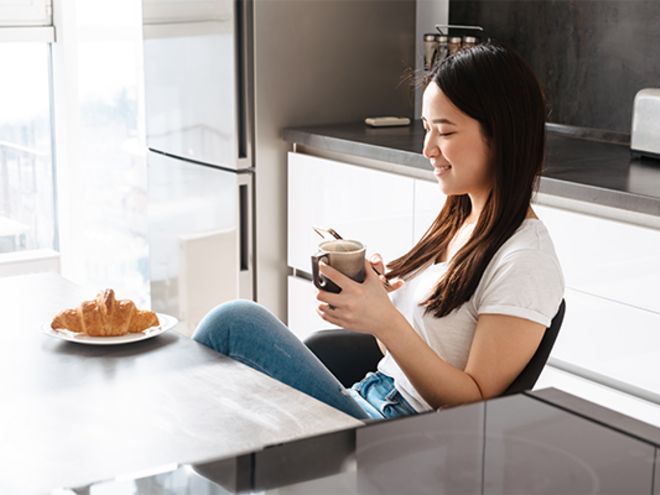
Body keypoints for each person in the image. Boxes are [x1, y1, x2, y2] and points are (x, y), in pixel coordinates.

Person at [192, 41, 564, 421]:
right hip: (365, 395)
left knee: (235, 324)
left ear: (502, 135)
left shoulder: (526, 261)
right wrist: (374, 305)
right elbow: (406, 358)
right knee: (233, 393)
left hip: (393, 436)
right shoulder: (460, 222)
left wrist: (385, 319)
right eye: (426, 129)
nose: (427, 148)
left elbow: (472, 406)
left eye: (445, 132)